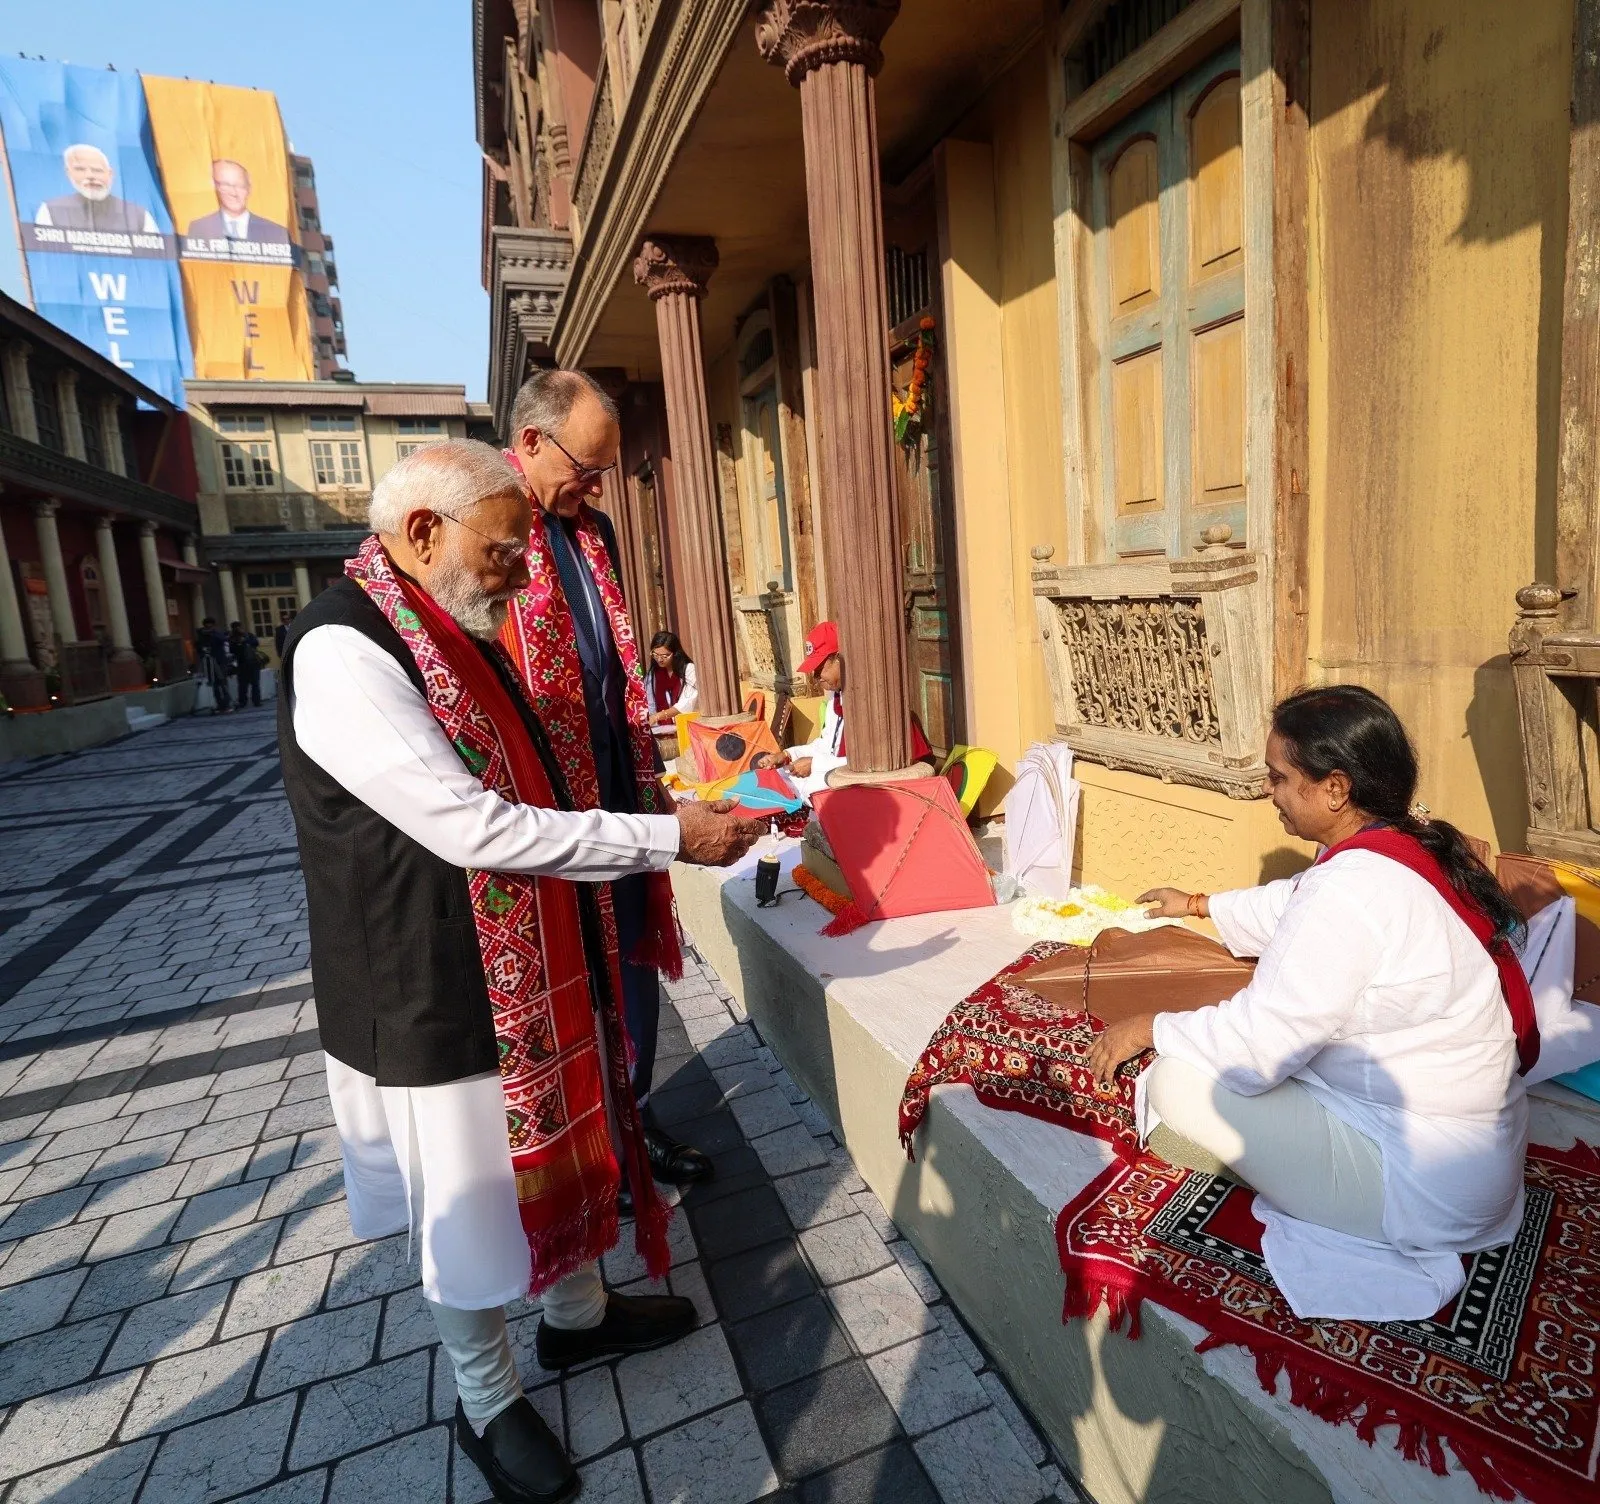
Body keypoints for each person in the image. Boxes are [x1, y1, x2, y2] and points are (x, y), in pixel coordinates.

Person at [278, 440, 760, 1503]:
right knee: (468, 1205)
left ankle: (577, 1319)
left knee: (560, 1144)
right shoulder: (346, 648)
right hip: (430, 979)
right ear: (423, 533)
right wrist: (663, 837)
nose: (521, 572)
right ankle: (487, 1399)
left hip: (529, 958)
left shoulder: (452, 625)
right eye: (503, 550)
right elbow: (474, 827)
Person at [1088, 684, 1538, 1323]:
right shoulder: (1400, 848)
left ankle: (1307, 1192)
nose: (1268, 792)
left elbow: (1259, 1046)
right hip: (1474, 1160)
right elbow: (1291, 902)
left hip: (1427, 1190)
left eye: (1278, 777)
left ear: (1334, 789)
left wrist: (1149, 1028)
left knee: (1177, 1082)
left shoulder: (1349, 888)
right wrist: (1195, 905)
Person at [498, 370, 713, 1207]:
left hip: (616, 775)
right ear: (529, 442)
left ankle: (636, 1115)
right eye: (583, 468)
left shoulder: (594, 532)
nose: (593, 487)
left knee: (628, 958)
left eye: (603, 472)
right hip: (544, 800)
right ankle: (587, 1150)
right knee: (570, 973)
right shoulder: (489, 520)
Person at [772, 620, 932, 795]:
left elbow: (872, 762)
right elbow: (827, 744)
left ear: (840, 659)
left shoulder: (871, 699)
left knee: (808, 790)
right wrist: (789, 754)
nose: (816, 677)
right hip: (839, 771)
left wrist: (814, 764)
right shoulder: (836, 697)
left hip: (873, 783)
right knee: (779, 778)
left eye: (820, 669)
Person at [35, 144, 158, 234]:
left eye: (97, 170)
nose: (90, 176)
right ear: (69, 173)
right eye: (80, 169)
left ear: (110, 174)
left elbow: (155, 256)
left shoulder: (140, 216)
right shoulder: (50, 210)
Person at [184, 159, 290, 244]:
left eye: (240, 186)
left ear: (249, 189)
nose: (233, 193)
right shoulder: (199, 227)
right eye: (226, 185)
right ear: (215, 187)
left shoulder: (275, 232)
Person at [646, 631, 697, 726]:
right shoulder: (653, 674)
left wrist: (658, 716)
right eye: (656, 655)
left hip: (686, 725)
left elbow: (686, 703)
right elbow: (650, 703)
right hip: (661, 728)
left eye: (665, 656)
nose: (659, 659)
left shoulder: (688, 669)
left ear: (675, 653)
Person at [194, 617, 234, 714]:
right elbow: (198, 647)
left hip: (219, 662)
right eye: (207, 625)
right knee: (215, 685)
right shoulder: (201, 635)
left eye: (210, 625)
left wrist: (213, 633)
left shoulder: (216, 634)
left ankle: (226, 704)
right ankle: (220, 704)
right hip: (208, 662)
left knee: (222, 683)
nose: (209, 627)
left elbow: (223, 639)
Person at [228, 621, 263, 708]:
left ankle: (256, 701)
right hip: (242, 663)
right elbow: (232, 650)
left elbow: (256, 643)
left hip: (253, 662)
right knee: (243, 685)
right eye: (235, 628)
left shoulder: (248, 635)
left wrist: (245, 639)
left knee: (255, 683)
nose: (238, 629)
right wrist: (238, 643)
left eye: (239, 627)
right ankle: (243, 702)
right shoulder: (232, 638)